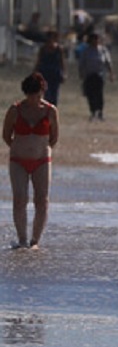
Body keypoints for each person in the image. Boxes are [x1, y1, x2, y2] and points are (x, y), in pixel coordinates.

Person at [3, 74, 59, 249]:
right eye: (30, 95)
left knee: (42, 200)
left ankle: (35, 241)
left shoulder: (50, 111)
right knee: (20, 199)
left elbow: (54, 137)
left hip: (42, 160)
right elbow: (6, 135)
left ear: (42, 92)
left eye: (37, 94)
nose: (34, 99)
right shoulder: (15, 110)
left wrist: (40, 149)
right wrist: (20, 147)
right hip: (18, 161)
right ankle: (21, 239)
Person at [77, 32, 114, 121]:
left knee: (99, 94)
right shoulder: (86, 51)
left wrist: (111, 73)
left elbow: (108, 62)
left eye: (97, 39)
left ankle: (100, 111)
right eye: (94, 39)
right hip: (89, 75)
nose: (96, 41)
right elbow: (82, 63)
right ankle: (93, 111)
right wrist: (81, 73)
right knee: (90, 94)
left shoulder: (103, 50)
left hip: (99, 75)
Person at [33, 30, 67, 106]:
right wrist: (35, 72)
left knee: (54, 94)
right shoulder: (43, 49)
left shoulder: (59, 49)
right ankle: (46, 109)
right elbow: (38, 61)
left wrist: (64, 73)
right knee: (46, 93)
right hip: (45, 73)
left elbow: (62, 62)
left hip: (55, 74)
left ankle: (53, 109)